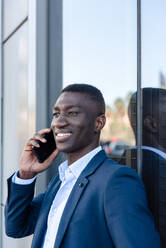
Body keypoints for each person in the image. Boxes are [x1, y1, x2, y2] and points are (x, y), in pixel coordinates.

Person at [5, 84, 161, 248]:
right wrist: (26, 174)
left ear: (99, 123)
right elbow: (16, 227)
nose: (59, 122)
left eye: (72, 113)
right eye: (56, 114)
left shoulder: (116, 180)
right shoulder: (61, 180)